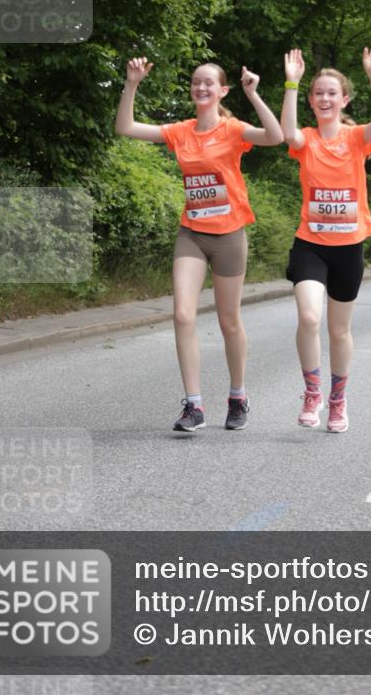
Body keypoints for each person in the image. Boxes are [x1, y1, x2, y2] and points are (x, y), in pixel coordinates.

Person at [115, 56, 283, 432]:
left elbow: (275, 137)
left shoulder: (233, 129)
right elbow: (125, 126)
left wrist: (254, 95)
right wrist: (132, 83)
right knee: (182, 315)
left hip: (229, 234)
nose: (201, 87)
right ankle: (194, 406)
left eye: (209, 83)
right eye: (196, 82)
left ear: (223, 90)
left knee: (229, 322)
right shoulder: (181, 131)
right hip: (192, 232)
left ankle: (238, 395)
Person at [281, 39, 371, 433]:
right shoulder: (306, 140)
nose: (325, 98)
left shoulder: (357, 138)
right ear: (312, 101)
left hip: (348, 247)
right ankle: (312, 393)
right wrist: (292, 85)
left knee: (338, 329)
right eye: (319, 94)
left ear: (345, 99)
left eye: (332, 93)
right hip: (311, 244)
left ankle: (338, 400)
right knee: (309, 316)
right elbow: (286, 132)